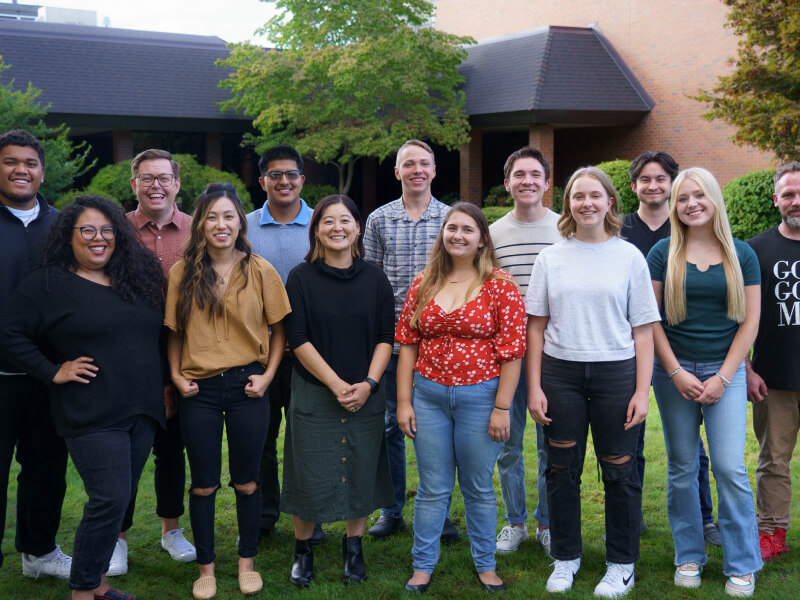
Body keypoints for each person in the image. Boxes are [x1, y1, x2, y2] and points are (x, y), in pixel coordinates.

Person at [1, 195, 167, 600]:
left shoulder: (137, 275)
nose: (98, 238)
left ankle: (97, 583)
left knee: (120, 498)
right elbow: (8, 333)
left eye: (107, 229)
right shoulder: (49, 284)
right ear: (68, 236)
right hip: (91, 410)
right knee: (108, 497)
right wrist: (52, 370)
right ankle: (82, 591)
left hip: (141, 408)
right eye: (87, 230)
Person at [526, 167, 659, 597]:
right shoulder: (551, 257)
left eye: (594, 195)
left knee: (620, 472)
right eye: (578, 196)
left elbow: (643, 330)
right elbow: (536, 328)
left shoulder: (629, 257)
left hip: (616, 374)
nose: (586, 203)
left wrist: (642, 390)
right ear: (568, 204)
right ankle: (566, 557)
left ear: (610, 202)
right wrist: (534, 387)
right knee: (561, 469)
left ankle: (621, 564)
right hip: (560, 374)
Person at [165, 183, 290, 600]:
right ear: (200, 224)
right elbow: (175, 333)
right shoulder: (182, 273)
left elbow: (279, 330)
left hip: (247, 387)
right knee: (202, 483)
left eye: (229, 216)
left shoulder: (261, 270)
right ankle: (206, 568)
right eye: (212, 217)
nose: (221, 225)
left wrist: (269, 375)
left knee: (247, 481)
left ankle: (246, 563)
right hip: (198, 389)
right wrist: (177, 377)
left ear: (241, 221)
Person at [396, 202, 526, 594]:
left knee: (478, 486)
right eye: (451, 228)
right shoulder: (425, 283)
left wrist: (502, 407)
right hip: (429, 397)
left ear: (482, 238)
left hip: (481, 398)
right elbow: (406, 344)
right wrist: (404, 402)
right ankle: (423, 565)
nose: (458, 235)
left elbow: (513, 352)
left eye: (467, 229)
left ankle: (486, 564)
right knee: (433, 487)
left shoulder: (500, 285)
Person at [648, 167, 762, 597]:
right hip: (672, 371)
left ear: (714, 198)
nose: (691, 204)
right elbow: (650, 319)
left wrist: (724, 376)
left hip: (725, 372)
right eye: (683, 198)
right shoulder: (661, 253)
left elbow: (750, 323)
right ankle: (689, 556)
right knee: (681, 467)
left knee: (730, 467)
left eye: (699, 195)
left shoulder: (741, 254)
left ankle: (742, 563)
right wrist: (675, 371)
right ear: (674, 206)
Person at [281, 194, 395, 587]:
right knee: (307, 469)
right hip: (314, 390)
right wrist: (334, 383)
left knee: (361, 468)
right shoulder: (300, 277)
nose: (337, 228)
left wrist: (368, 384)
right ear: (316, 230)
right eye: (327, 221)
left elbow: (386, 337)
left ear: (358, 227)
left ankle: (353, 550)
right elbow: (297, 338)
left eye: (345, 220)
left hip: (366, 391)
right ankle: (302, 551)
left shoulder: (376, 278)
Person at [623, 150, 721, 545]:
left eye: (660, 179)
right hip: (626, 348)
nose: (653, 185)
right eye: (645, 179)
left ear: (672, 184)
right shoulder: (622, 229)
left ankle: (705, 517)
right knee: (630, 434)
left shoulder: (686, 223)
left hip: (677, 349)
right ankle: (630, 517)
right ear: (634, 187)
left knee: (689, 443)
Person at [105, 149, 195, 576]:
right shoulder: (114, 230)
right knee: (125, 451)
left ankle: (170, 530)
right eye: (147, 178)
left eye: (163, 178)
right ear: (133, 184)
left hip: (185, 352)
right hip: (128, 355)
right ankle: (116, 538)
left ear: (177, 184)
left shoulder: (197, 230)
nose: (155, 185)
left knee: (172, 448)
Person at [364, 139, 458, 542]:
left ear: (434, 171)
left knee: (440, 430)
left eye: (424, 163)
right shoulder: (379, 220)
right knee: (389, 427)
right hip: (391, 344)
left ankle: (441, 512)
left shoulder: (452, 219)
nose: (417, 169)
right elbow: (368, 282)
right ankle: (392, 509)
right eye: (408, 164)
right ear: (397, 172)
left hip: (442, 344)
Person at [0, 129, 71, 580]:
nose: (20, 170)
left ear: (42, 171)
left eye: (29, 163)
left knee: (46, 467)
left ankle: (39, 551)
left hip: (49, 375)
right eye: (10, 162)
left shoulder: (63, 226)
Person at [246, 145, 324, 544]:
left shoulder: (321, 225)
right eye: (275, 175)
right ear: (263, 181)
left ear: (302, 180)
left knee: (307, 438)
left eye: (291, 174)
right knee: (260, 438)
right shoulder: (243, 228)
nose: (284, 181)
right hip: (256, 354)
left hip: (310, 353)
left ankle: (312, 515)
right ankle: (263, 516)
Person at [490, 146, 560, 555]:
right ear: (507, 182)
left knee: (551, 444)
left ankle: (548, 522)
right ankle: (515, 522)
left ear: (547, 183)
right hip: (507, 355)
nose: (528, 181)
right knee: (508, 444)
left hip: (556, 354)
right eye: (519, 174)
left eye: (535, 174)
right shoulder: (494, 234)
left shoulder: (564, 229)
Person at [746, 162, 800, 562]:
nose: (795, 201)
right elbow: (738, 317)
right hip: (774, 380)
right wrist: (746, 370)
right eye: (788, 194)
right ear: (776, 199)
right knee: (773, 462)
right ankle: (771, 532)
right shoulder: (755, 250)